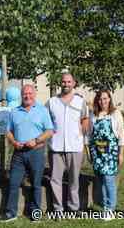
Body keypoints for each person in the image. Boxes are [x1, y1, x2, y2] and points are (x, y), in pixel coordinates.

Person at [0, 84, 54, 222]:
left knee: (36, 184)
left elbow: (49, 131)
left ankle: (35, 213)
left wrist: (36, 140)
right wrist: (14, 142)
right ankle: (11, 213)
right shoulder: (14, 111)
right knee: (13, 183)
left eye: (30, 93)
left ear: (34, 94)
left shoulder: (42, 110)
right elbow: (8, 131)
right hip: (19, 153)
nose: (27, 96)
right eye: (25, 93)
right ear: (21, 95)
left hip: (36, 152)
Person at [47, 72, 89, 213]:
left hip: (75, 147)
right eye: (64, 82)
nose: (66, 84)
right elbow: (45, 121)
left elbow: (85, 119)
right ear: (60, 83)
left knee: (74, 180)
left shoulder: (80, 101)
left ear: (74, 83)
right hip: (56, 147)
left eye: (69, 82)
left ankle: (73, 208)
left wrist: (80, 132)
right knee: (55, 180)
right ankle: (58, 209)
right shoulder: (52, 102)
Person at [85, 89, 124, 221]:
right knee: (101, 181)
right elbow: (89, 136)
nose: (103, 101)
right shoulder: (94, 115)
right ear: (97, 100)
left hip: (110, 154)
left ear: (110, 99)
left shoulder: (115, 114)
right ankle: (105, 208)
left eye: (105, 98)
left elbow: (121, 136)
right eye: (100, 99)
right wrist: (89, 153)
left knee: (109, 181)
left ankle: (111, 209)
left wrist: (121, 155)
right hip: (97, 154)